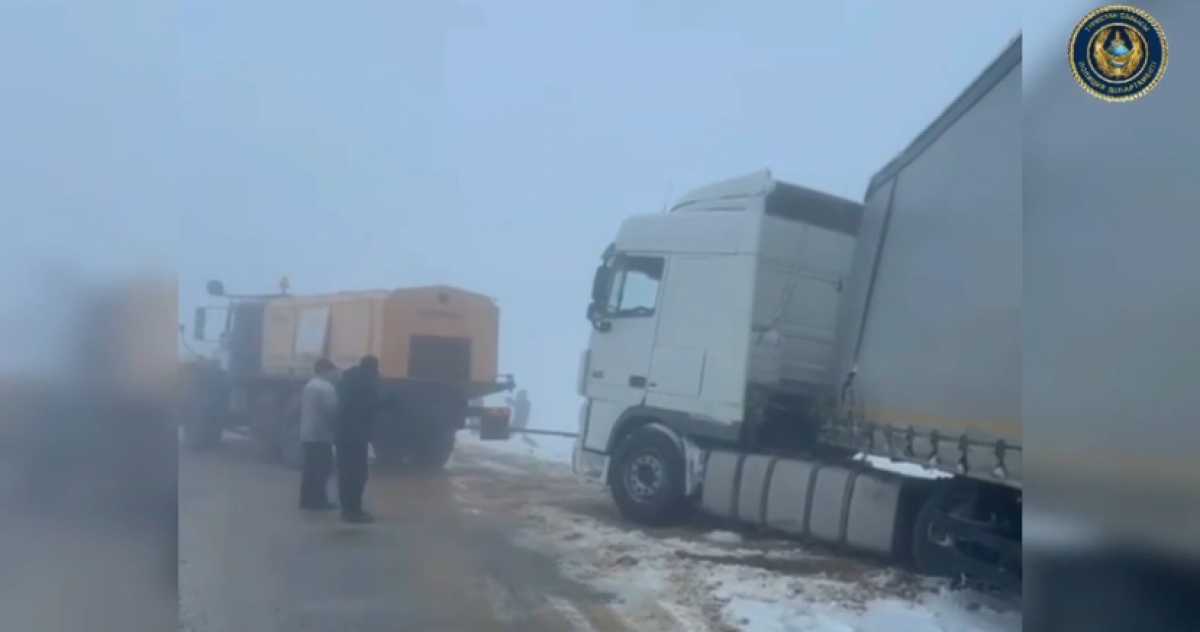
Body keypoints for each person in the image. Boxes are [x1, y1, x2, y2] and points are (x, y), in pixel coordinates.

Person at [335, 355, 382, 523]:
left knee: (345, 473)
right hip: (356, 436)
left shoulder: (346, 379)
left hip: (342, 434)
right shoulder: (367, 381)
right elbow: (371, 406)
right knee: (358, 474)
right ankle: (354, 511)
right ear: (373, 368)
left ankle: (346, 510)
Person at [299, 358, 339, 511]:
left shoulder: (309, 385)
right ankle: (319, 501)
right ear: (326, 371)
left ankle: (306, 500)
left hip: (307, 433)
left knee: (309, 469)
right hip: (321, 435)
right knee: (322, 469)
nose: (335, 375)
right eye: (332, 371)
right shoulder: (327, 387)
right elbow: (332, 411)